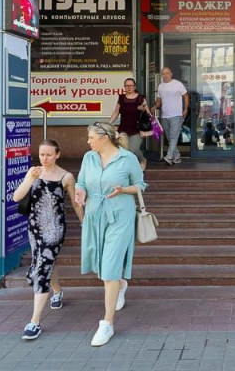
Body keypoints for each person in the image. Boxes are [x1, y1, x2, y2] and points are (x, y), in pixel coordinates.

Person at [74, 121, 147, 348]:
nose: (88, 141)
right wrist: (80, 190)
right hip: (95, 213)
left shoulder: (127, 158)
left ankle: (107, 323)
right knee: (104, 266)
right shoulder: (89, 158)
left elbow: (140, 185)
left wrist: (123, 189)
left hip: (120, 215)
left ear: (104, 138)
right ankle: (120, 285)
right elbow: (81, 181)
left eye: (91, 137)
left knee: (109, 267)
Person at [11, 139, 82, 341]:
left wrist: (84, 222)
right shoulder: (34, 172)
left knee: (42, 268)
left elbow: (76, 203)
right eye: (42, 154)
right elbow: (17, 197)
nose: (45, 158)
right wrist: (29, 180)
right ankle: (57, 290)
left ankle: (34, 322)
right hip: (35, 227)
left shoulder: (66, 177)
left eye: (49, 154)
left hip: (55, 228)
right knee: (45, 262)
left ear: (57, 155)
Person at [111, 77, 150, 171]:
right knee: (123, 149)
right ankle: (127, 167)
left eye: (131, 85)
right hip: (123, 129)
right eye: (126, 86)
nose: (128, 87)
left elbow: (148, 113)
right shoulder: (121, 98)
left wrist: (143, 109)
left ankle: (142, 160)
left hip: (136, 129)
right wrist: (109, 123)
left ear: (134, 86)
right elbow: (116, 112)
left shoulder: (141, 98)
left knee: (133, 150)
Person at [155, 67, 188, 165]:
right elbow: (159, 100)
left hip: (176, 115)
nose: (165, 75)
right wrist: (154, 107)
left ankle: (169, 157)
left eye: (167, 73)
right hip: (164, 116)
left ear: (171, 74)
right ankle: (177, 157)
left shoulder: (178, 84)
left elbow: (186, 96)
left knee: (173, 137)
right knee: (169, 138)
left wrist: (185, 109)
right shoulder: (160, 86)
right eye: (163, 73)